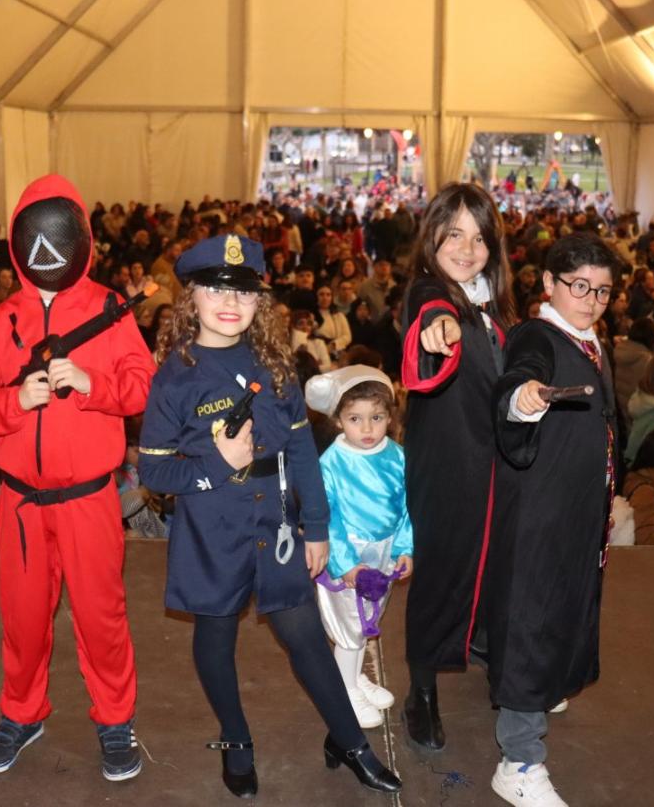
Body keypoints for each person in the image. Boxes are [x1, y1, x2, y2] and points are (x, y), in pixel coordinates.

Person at [138, 235, 400, 799]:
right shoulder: (174, 377)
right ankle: (236, 740)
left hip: (277, 525)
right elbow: (155, 473)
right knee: (215, 637)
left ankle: (349, 742)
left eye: (243, 292)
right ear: (193, 299)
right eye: (213, 288)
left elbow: (302, 453)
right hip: (210, 529)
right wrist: (214, 465)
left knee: (305, 636)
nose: (229, 302)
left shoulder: (275, 366)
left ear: (260, 303)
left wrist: (318, 526)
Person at [0, 175, 154, 780]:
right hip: (19, 502)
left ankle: (115, 719)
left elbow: (145, 384)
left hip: (90, 498)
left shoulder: (108, 311)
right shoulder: (0, 321)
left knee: (101, 616)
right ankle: (22, 711)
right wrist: (14, 401)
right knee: (20, 617)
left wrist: (96, 388)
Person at [488, 233, 621, 806]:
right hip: (541, 515)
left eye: (603, 290)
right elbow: (518, 382)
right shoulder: (538, 336)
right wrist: (526, 399)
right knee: (531, 619)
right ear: (547, 284)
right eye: (578, 287)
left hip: (578, 510)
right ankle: (518, 760)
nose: (590, 300)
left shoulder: (590, 339)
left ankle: (542, 687)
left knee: (560, 609)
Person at [400, 183, 515, 753]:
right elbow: (430, 316)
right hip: (447, 465)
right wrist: (437, 329)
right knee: (441, 575)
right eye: (453, 235)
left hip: (497, 466)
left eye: (479, 237)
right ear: (432, 240)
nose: (467, 249)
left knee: (497, 569)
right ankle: (420, 692)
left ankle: (494, 656)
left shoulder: (494, 302)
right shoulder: (429, 292)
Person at [304, 366, 413, 729]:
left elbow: (406, 508)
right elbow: (328, 519)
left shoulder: (397, 456)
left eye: (376, 417)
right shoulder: (331, 464)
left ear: (389, 417)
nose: (367, 429)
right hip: (348, 558)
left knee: (369, 619)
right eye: (355, 418)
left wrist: (404, 548)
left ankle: (355, 677)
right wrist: (347, 565)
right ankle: (345, 689)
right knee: (350, 626)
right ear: (338, 420)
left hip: (382, 554)